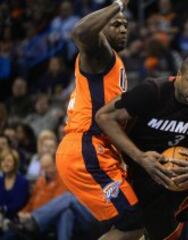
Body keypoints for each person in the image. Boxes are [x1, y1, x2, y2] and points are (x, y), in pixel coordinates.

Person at [96, 54, 188, 240]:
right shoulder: (152, 91)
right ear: (179, 75)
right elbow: (104, 117)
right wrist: (139, 157)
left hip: (184, 172)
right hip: (145, 175)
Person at [55, 1, 143, 239]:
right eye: (116, 24)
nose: (123, 28)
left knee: (133, 220)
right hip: (86, 149)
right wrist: (117, 4)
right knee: (134, 222)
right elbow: (80, 32)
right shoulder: (100, 54)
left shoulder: (112, 63)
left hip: (94, 149)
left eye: (125, 25)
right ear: (101, 30)